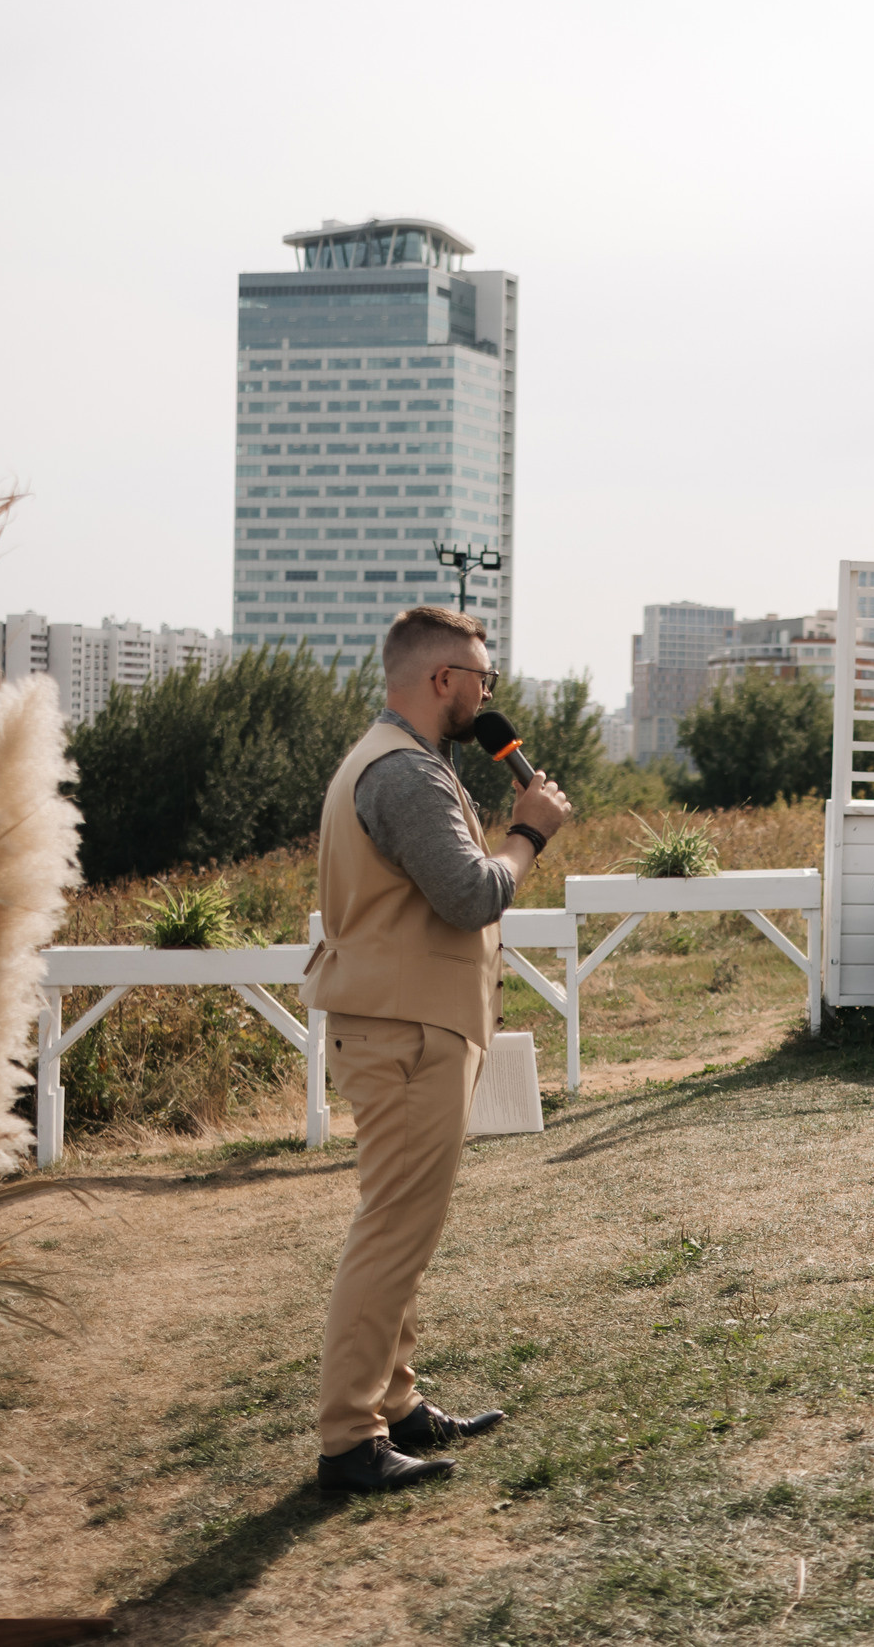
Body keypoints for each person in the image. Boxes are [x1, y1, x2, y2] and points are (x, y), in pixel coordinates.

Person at [303, 607, 573, 1493]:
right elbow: (468, 894)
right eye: (483, 680)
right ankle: (349, 1437)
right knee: (390, 1234)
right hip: (406, 1032)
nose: (489, 696)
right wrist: (527, 829)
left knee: (405, 1229)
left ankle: (396, 1402)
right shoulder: (409, 776)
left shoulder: (394, 762)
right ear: (443, 680)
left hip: (404, 1022)